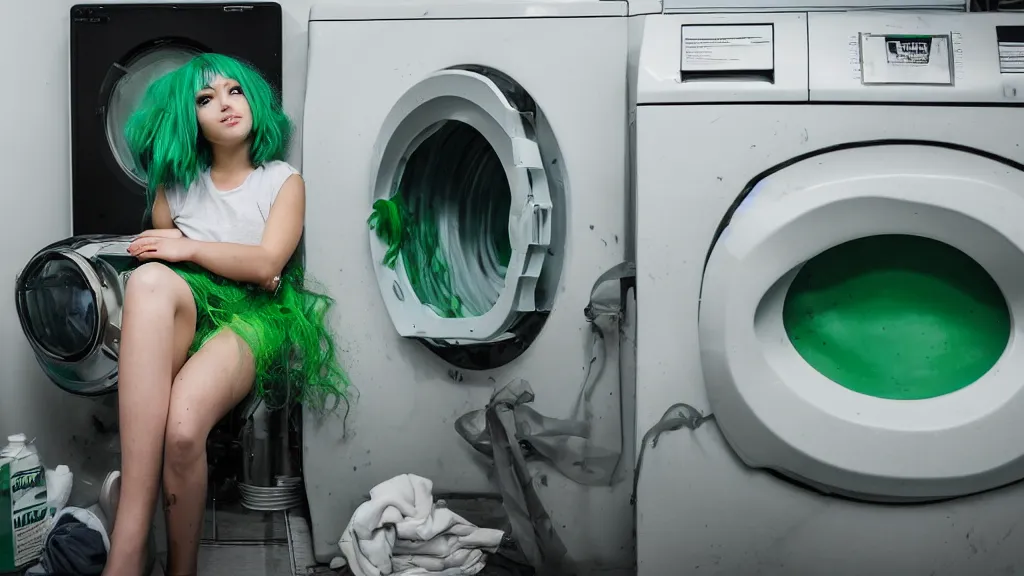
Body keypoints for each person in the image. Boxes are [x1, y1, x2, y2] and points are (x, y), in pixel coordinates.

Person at [98, 53, 350, 576]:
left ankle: (177, 568)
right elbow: (160, 261)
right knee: (147, 280)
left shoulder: (281, 181)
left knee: (184, 432)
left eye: (234, 91)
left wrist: (189, 247)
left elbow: (265, 265)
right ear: (190, 120)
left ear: (253, 98)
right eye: (205, 100)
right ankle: (129, 545)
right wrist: (196, 253)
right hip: (190, 308)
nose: (225, 105)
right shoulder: (174, 187)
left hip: (252, 319)